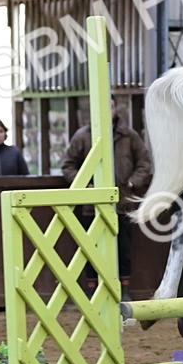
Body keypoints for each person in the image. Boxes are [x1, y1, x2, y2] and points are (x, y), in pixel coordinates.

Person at [61, 98, 153, 301]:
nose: (106, 111)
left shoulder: (129, 135)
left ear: (115, 110)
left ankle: (124, 290)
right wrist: (86, 185)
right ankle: (92, 291)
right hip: (91, 206)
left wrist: (131, 183)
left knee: (123, 250)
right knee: (91, 249)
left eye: (109, 107)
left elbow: (144, 163)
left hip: (122, 204)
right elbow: (68, 165)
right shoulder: (82, 136)